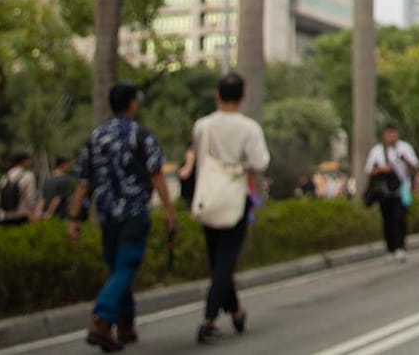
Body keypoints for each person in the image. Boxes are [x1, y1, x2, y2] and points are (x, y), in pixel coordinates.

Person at [68, 82, 179, 352]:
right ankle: (102, 318)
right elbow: (156, 174)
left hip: (106, 215)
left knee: (118, 267)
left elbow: (83, 181)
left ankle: (125, 325)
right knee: (127, 264)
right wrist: (169, 209)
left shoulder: (96, 136)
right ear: (132, 103)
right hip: (133, 212)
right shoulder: (141, 135)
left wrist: (74, 218)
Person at [190, 71, 269, 344]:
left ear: (217, 95)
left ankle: (235, 312)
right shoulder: (249, 128)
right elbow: (260, 162)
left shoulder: (203, 126)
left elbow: (199, 156)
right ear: (244, 95)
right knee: (226, 261)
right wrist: (241, 167)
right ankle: (209, 319)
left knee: (218, 260)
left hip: (208, 195)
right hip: (235, 196)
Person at [362, 124, 419, 260]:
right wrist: (382, 169)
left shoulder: (404, 148)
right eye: (389, 134)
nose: (391, 137)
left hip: (402, 188)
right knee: (387, 219)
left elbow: (416, 167)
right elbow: (369, 170)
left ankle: (400, 247)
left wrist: (405, 160)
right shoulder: (377, 151)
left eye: (393, 133)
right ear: (384, 135)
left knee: (399, 218)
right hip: (384, 191)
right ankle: (390, 248)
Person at [0, 152, 39, 226]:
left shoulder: (5, 176)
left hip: (5, 214)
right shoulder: (28, 176)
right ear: (24, 161)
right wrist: (33, 211)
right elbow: (29, 197)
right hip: (21, 214)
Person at [40, 156, 79, 223]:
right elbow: (58, 198)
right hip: (59, 214)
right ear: (63, 164)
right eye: (67, 164)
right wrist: (50, 213)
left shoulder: (48, 178)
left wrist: (41, 212)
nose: (68, 166)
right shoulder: (64, 179)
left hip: (44, 213)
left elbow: (43, 197)